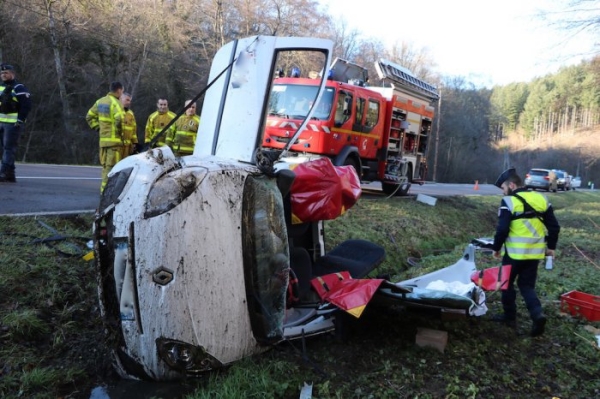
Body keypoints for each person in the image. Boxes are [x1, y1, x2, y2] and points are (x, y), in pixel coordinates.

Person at [491, 167, 561, 337]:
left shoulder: (508, 202)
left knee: (506, 285)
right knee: (527, 286)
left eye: (503, 188)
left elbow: (502, 229)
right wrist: (550, 247)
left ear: (512, 185)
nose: (503, 192)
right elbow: (554, 227)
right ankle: (537, 314)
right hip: (534, 254)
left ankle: (509, 317)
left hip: (514, 254)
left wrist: (496, 248)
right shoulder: (541, 198)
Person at [86, 81, 124, 192]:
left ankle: (104, 192)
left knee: (105, 168)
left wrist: (98, 128)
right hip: (114, 143)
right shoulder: (116, 103)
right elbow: (119, 119)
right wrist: (119, 132)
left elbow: (89, 117)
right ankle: (107, 194)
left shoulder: (99, 102)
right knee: (112, 169)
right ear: (119, 90)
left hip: (103, 142)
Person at [0, 64, 32, 183]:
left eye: (6, 73)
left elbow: (26, 105)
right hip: (1, 122)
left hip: (13, 124)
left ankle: (3, 172)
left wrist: (20, 120)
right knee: (4, 149)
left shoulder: (19, 87)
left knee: (8, 148)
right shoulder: (0, 87)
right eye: (2, 73)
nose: (3, 75)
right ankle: (10, 174)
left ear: (12, 74)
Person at [120, 92, 141, 157]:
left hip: (127, 147)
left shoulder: (131, 114)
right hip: (117, 145)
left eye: (130, 100)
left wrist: (135, 142)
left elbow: (134, 131)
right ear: (120, 99)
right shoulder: (115, 110)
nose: (129, 102)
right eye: (127, 100)